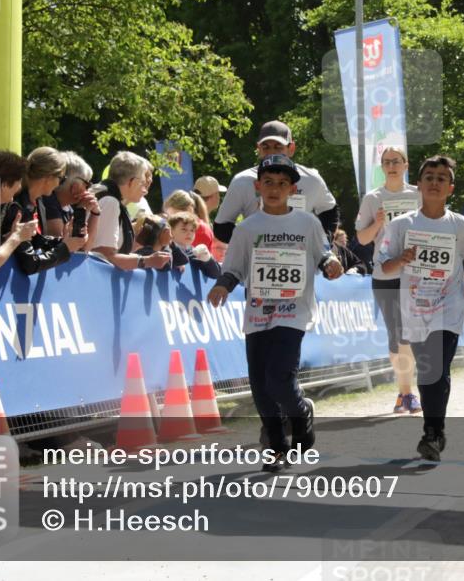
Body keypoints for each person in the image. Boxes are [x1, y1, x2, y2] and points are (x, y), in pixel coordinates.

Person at [207, 154, 343, 471]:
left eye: (282, 183)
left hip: (294, 311)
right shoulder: (246, 228)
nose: (274, 188)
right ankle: (277, 447)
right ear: (257, 186)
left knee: (279, 378)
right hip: (258, 314)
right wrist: (223, 285)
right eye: (268, 182)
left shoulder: (307, 223)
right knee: (260, 386)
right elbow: (234, 267)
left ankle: (300, 414)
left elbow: (322, 254)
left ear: (293, 189)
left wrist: (331, 263)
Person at [377, 155, 464, 462]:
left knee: (438, 365)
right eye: (429, 177)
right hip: (415, 307)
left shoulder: (460, 224)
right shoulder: (401, 225)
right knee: (428, 370)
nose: (435, 182)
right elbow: (383, 266)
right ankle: (436, 429)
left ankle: (431, 434)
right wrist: (401, 260)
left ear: (450, 188)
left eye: (441, 178)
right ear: (419, 185)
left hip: (449, 304)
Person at [355, 146, 422, 413]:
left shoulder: (418, 195)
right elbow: (362, 239)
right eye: (386, 162)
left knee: (410, 334)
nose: (391, 166)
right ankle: (405, 393)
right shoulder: (373, 198)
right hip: (385, 274)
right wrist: (377, 223)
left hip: (416, 275)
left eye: (396, 161)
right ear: (381, 167)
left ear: (406, 165)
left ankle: (407, 393)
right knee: (397, 334)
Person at [213, 120, 339, 243]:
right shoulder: (242, 181)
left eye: (278, 147)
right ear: (258, 148)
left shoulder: (311, 179)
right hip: (257, 256)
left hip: (300, 254)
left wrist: (322, 243)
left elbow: (329, 210)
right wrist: (251, 242)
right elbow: (221, 227)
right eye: (266, 147)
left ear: (291, 148)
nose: (271, 153)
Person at [0, 147, 86, 274]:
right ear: (49, 177)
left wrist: (65, 241)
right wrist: (65, 248)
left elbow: (35, 240)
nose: (59, 184)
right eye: (61, 179)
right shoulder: (18, 205)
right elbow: (30, 263)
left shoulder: (37, 201)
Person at [92, 151, 170, 271]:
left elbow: (113, 251)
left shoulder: (108, 196)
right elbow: (103, 257)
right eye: (143, 182)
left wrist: (138, 242)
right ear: (131, 182)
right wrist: (147, 261)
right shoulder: (110, 202)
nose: (145, 190)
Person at [42, 151, 101, 251]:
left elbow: (85, 248)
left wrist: (95, 213)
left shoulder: (67, 208)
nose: (87, 190)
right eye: (87, 185)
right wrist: (81, 212)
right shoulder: (48, 201)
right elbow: (60, 244)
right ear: (74, 186)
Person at [167, 212, 221, 279]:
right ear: (171, 231)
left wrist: (208, 259)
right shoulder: (164, 247)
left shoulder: (194, 253)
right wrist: (176, 260)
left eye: (192, 230)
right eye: (184, 229)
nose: (189, 233)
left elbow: (216, 274)